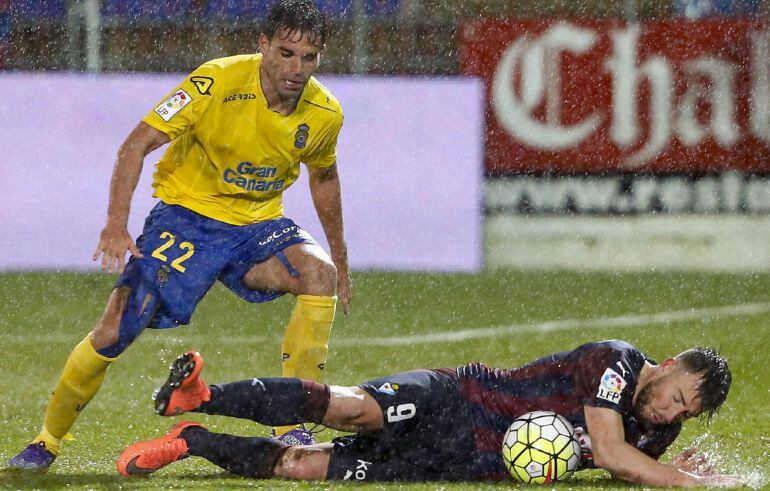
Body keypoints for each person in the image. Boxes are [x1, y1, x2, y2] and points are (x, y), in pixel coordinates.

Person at [9, 0, 350, 470]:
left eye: (309, 58)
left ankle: (292, 422)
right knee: (116, 328)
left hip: (256, 225)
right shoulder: (214, 81)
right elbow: (137, 143)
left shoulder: (325, 112)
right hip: (186, 220)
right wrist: (115, 222)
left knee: (319, 275)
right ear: (263, 45)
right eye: (286, 53)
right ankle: (46, 441)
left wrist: (342, 260)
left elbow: (324, 178)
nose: (296, 69)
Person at [117, 340, 744, 487]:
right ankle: (206, 395)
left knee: (305, 468)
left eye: (683, 411)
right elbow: (608, 454)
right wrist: (687, 482)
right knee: (350, 409)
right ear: (664, 367)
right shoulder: (614, 361)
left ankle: (192, 439)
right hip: (457, 399)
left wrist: (664, 467)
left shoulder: (658, 431)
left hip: (463, 460)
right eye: (674, 393)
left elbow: (622, 468)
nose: (667, 411)